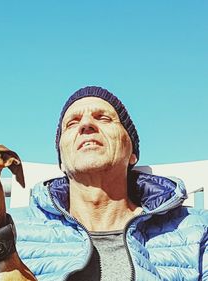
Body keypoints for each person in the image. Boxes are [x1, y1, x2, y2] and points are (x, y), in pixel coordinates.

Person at [12, 86, 207, 281]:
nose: (86, 124)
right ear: (61, 160)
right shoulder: (11, 229)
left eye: (103, 118)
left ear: (132, 154)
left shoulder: (196, 229)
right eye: (72, 123)